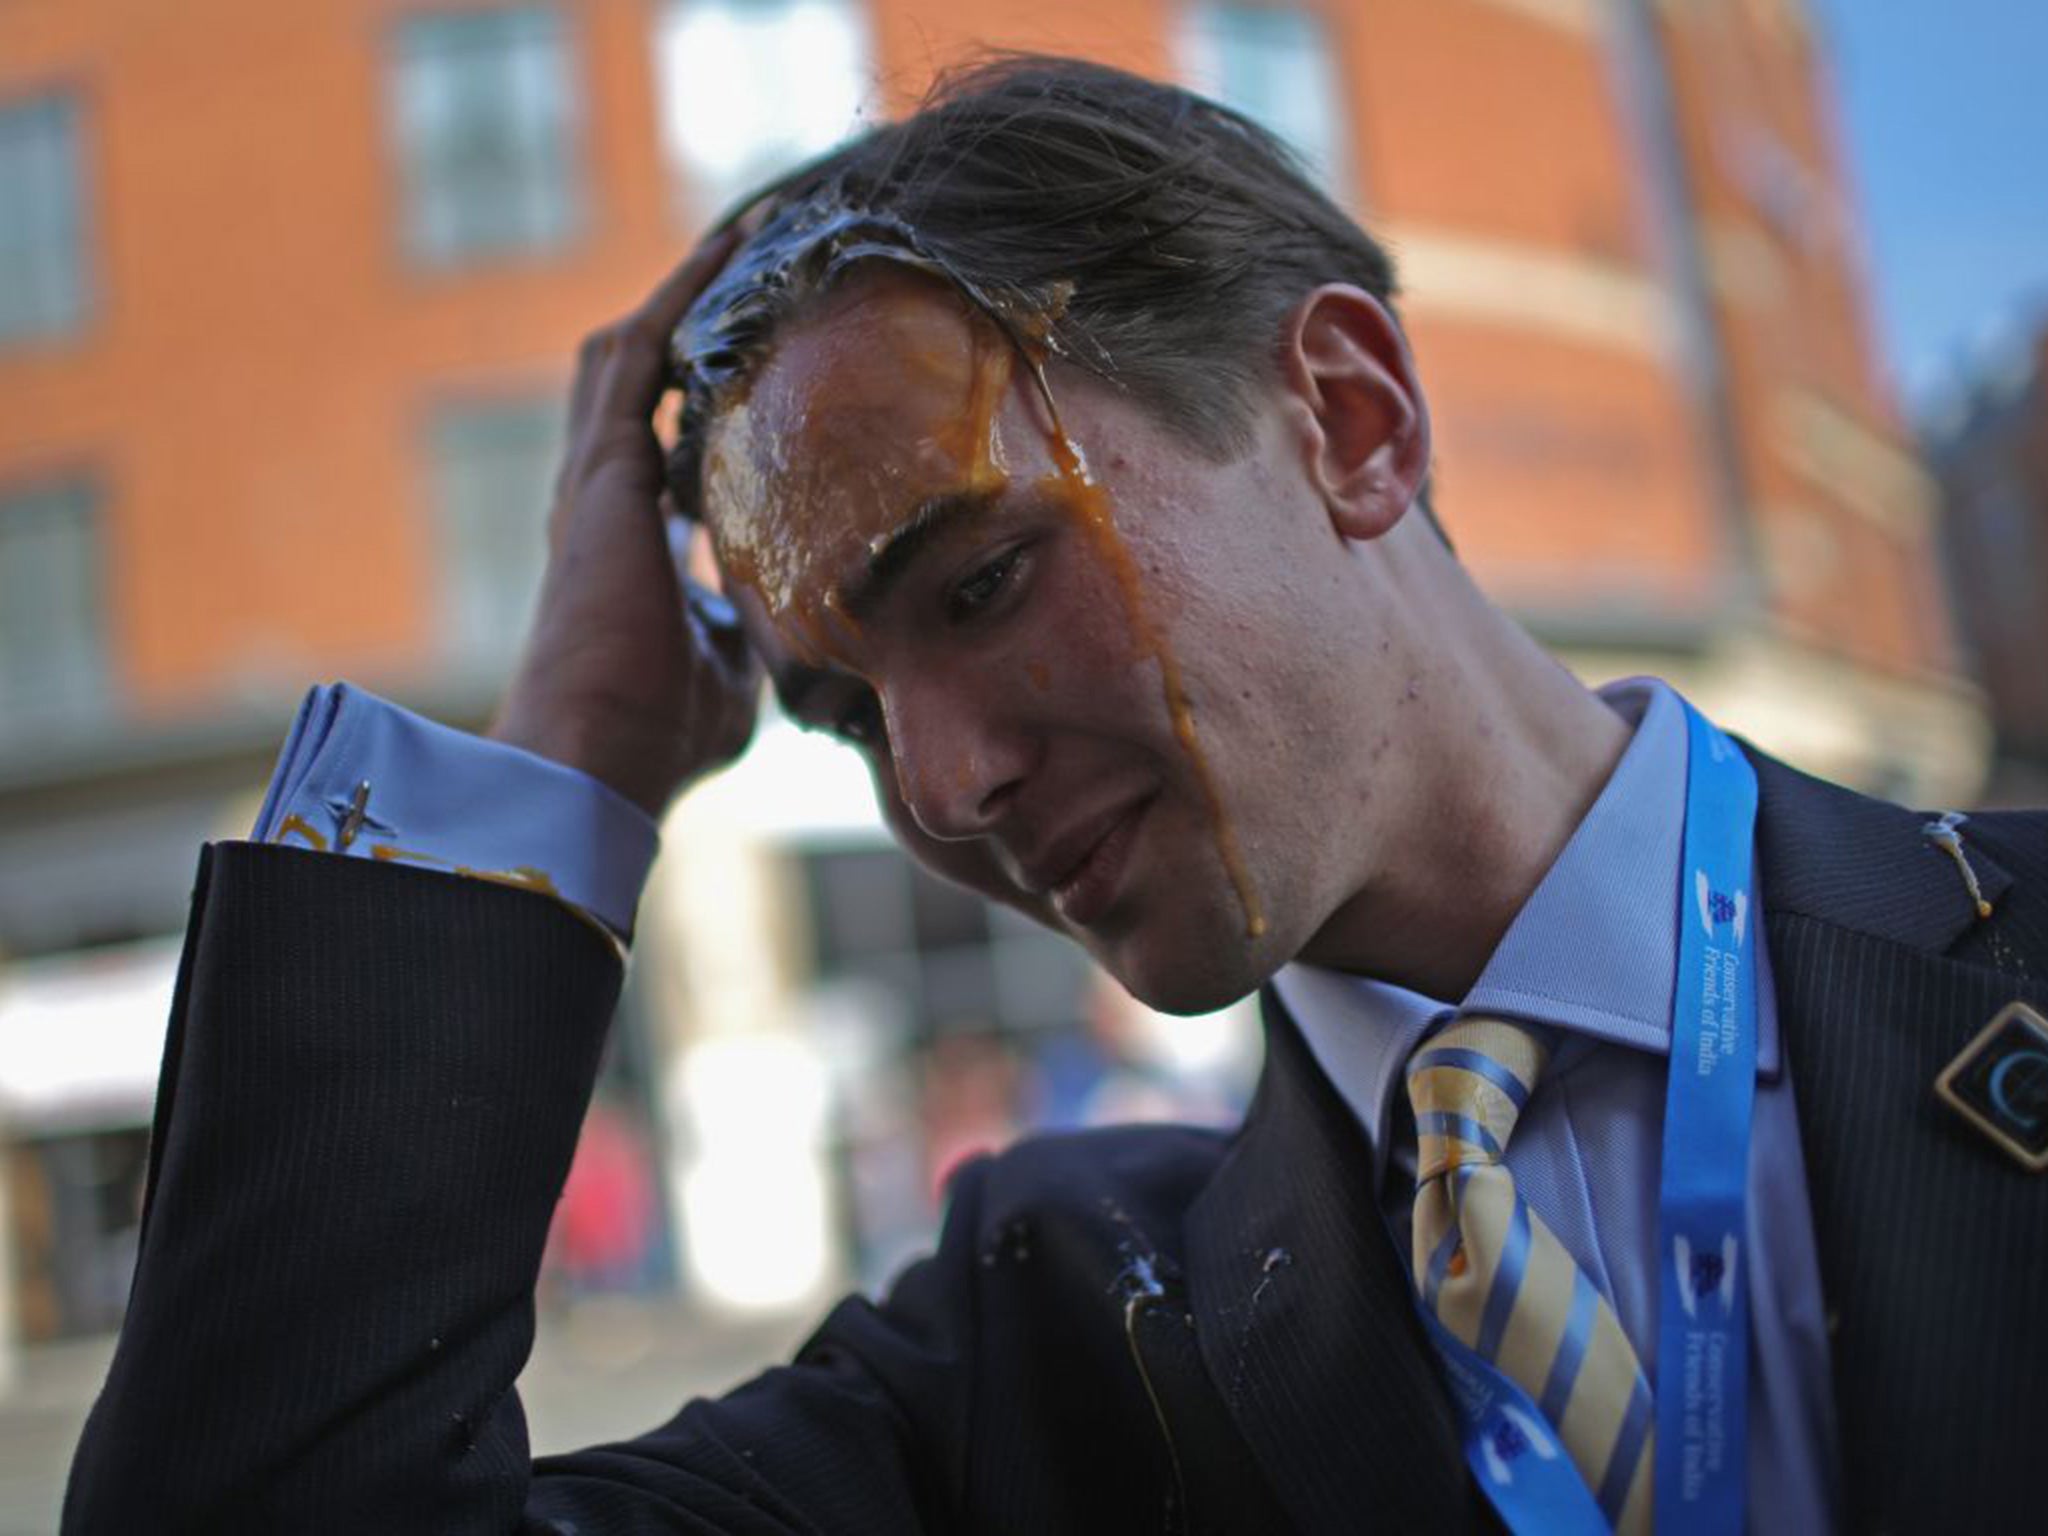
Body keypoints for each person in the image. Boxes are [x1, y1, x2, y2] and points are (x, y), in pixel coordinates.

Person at [63, 56, 2048, 1536]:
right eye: (840, 711)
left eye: (986, 581)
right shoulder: (1050, 1344)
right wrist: (568, 742)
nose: (940, 783)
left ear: (1347, 421)